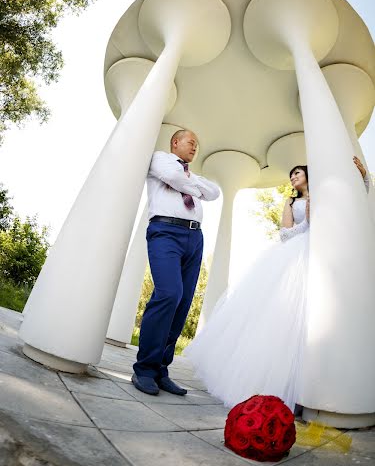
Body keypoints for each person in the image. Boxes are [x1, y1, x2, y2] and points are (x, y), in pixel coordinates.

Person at [184, 157, 370, 411]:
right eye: (291, 174)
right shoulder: (291, 202)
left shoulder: (323, 194)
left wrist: (364, 177)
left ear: (307, 175)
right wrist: (306, 222)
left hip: (325, 253)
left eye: (297, 172)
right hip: (296, 254)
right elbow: (284, 234)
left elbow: (352, 203)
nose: (293, 177)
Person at [132, 129, 220, 396]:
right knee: (169, 294)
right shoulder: (160, 159)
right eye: (191, 142)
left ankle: (161, 370)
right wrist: (192, 184)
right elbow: (171, 177)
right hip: (165, 232)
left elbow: (214, 192)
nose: (195, 147)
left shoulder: (190, 173)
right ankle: (144, 369)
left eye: (197, 143)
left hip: (195, 237)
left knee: (182, 304)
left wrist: (188, 181)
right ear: (175, 143)